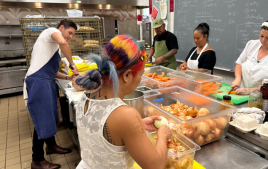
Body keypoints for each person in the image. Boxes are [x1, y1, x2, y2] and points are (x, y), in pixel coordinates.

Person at [75, 35, 172, 169]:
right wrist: (162, 136)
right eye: (141, 74)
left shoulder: (85, 96)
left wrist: (139, 126)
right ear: (127, 76)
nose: (140, 79)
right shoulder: (126, 115)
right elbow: (156, 166)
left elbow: (98, 129)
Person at [24, 19, 79, 169]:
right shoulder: (49, 32)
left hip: (46, 81)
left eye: (73, 35)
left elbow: (53, 72)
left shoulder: (53, 47)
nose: (70, 37)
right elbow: (63, 42)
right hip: (38, 81)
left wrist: (68, 77)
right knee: (42, 120)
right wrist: (73, 65)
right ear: (61, 28)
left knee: (51, 117)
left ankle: (51, 145)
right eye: (69, 33)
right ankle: (37, 160)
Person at [231, 18, 268, 95]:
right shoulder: (251, 44)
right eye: (261, 36)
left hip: (264, 97)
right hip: (242, 94)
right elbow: (239, 63)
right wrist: (237, 79)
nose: (263, 40)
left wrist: (250, 90)